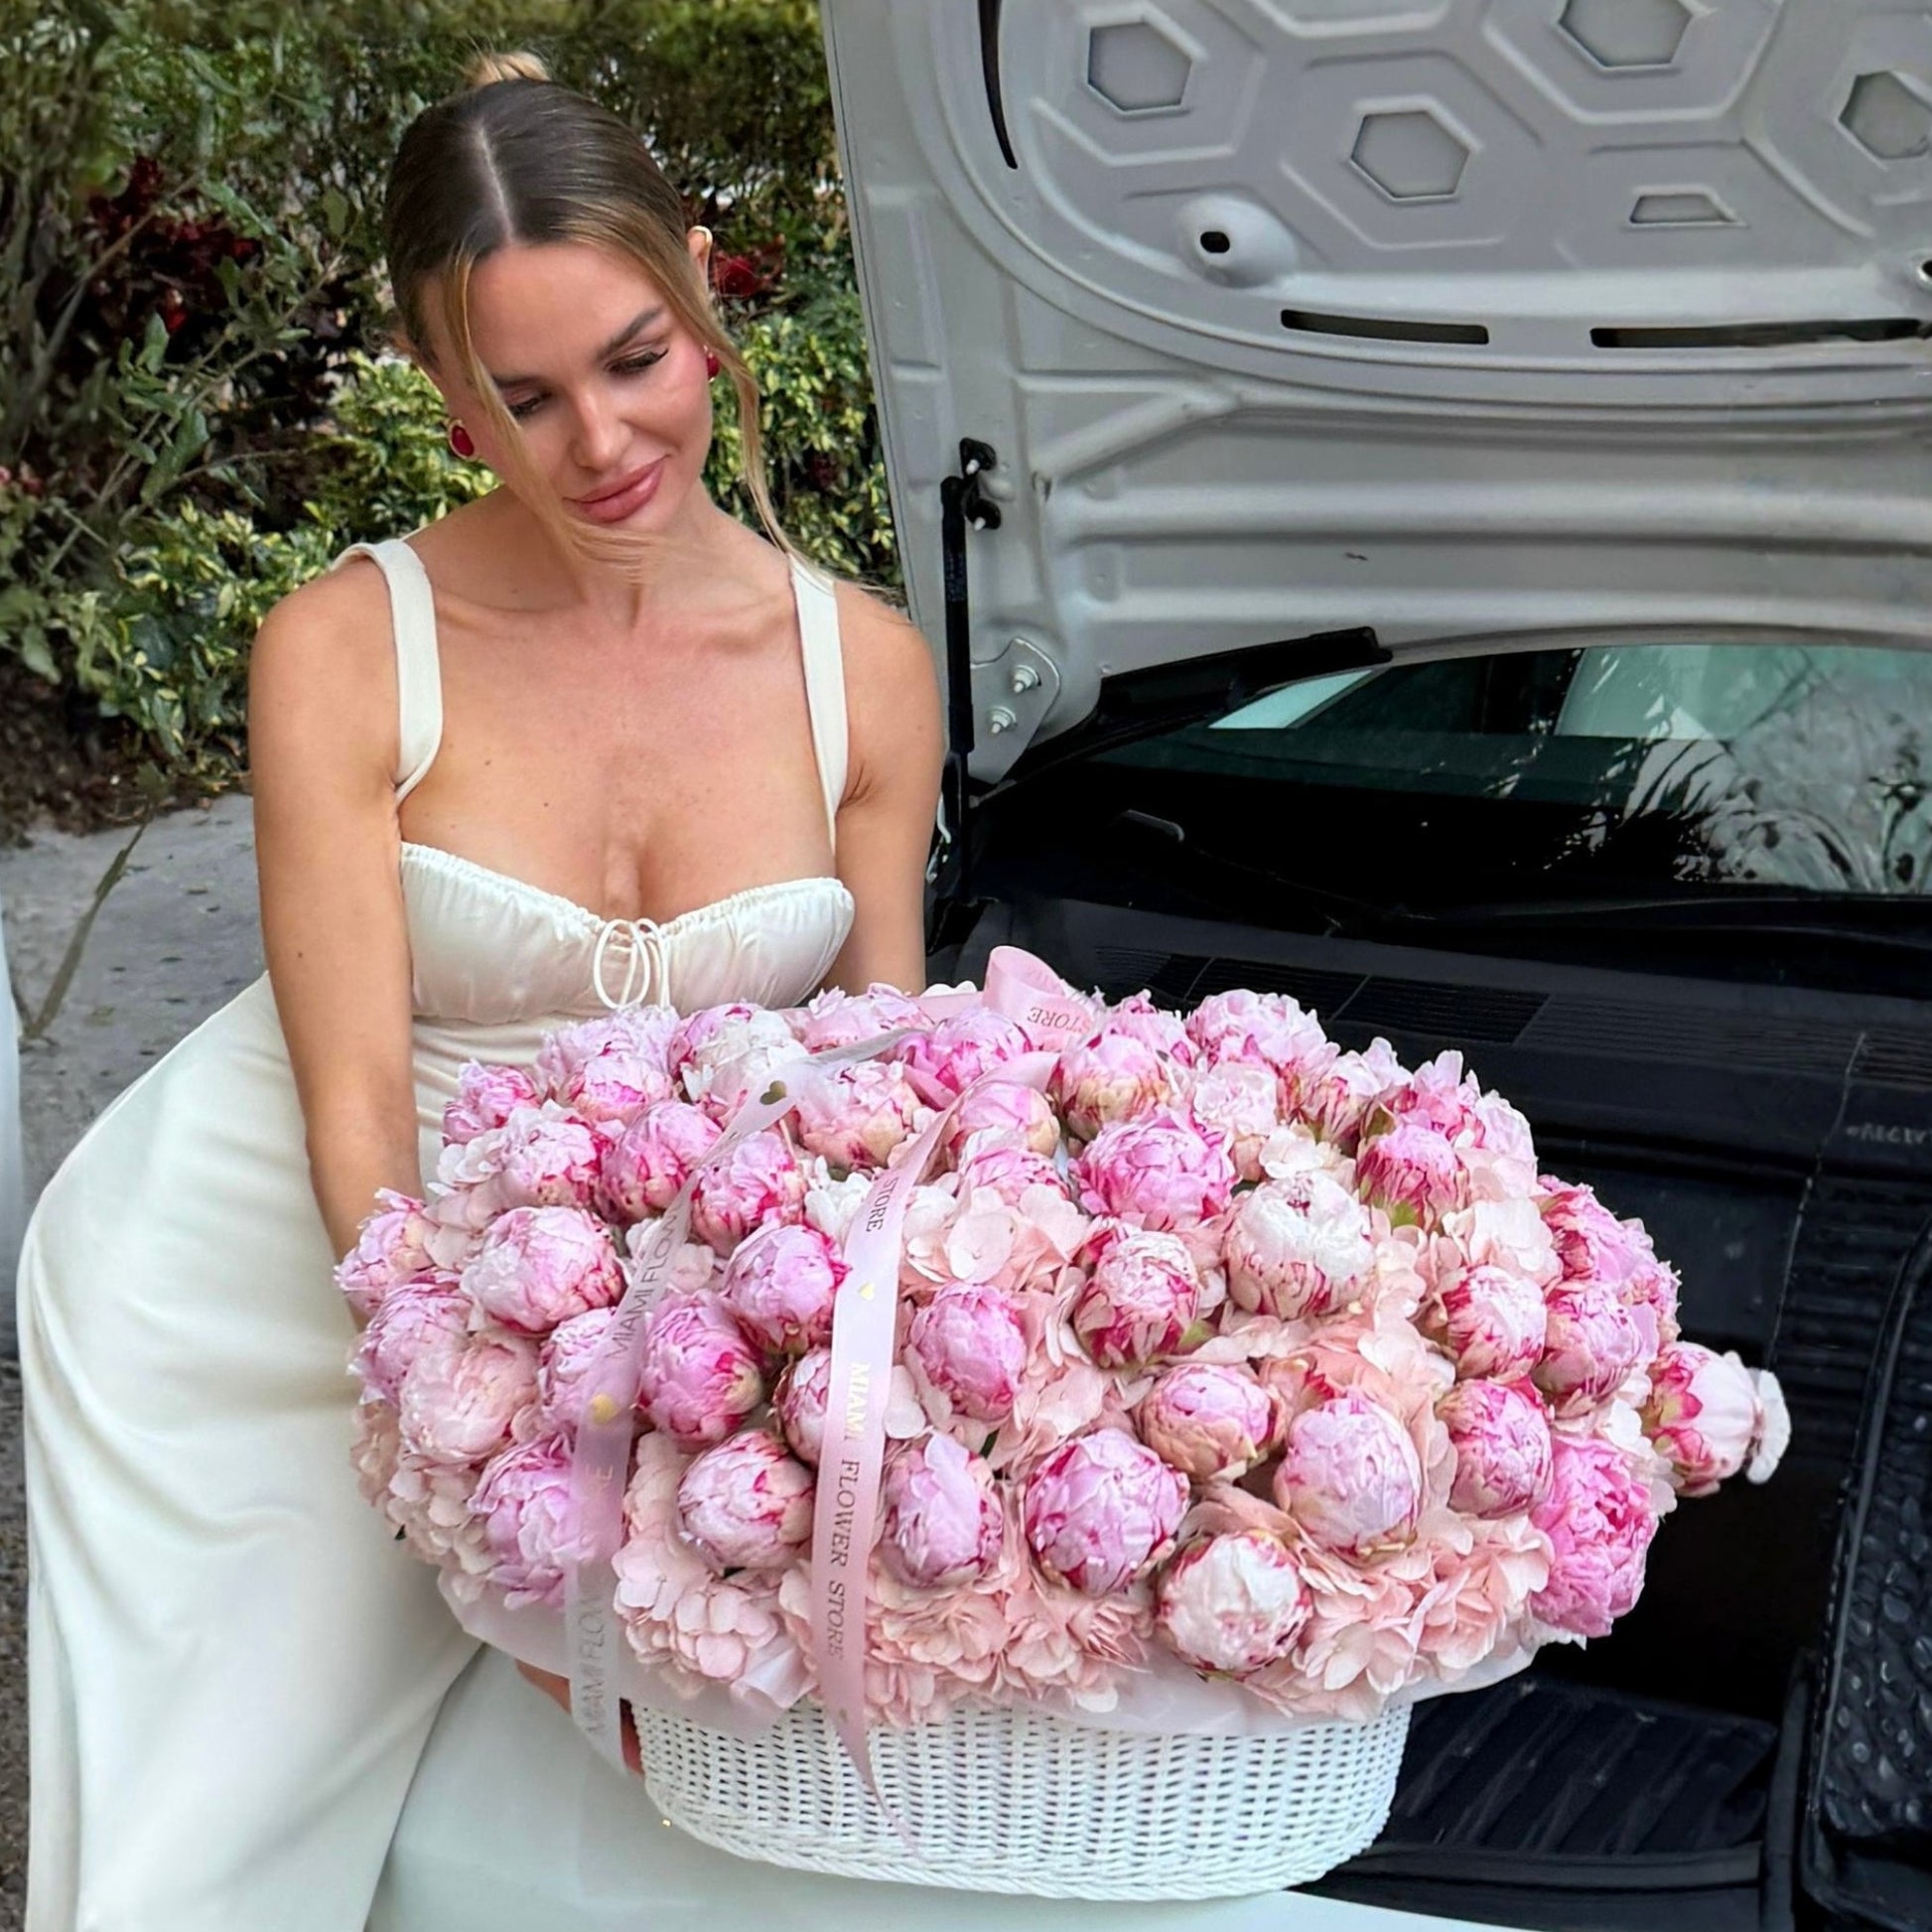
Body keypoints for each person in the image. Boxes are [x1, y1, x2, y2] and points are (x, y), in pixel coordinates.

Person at [17, 50, 941, 1932]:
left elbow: (881, 1103)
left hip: (661, 1319)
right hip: (284, 1299)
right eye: (519, 398)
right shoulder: (344, 649)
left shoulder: (867, 672)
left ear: (701, 291)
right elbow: (353, 1114)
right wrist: (474, 1449)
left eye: (632, 358)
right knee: (210, 1862)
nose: (596, 442)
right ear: (447, 398)